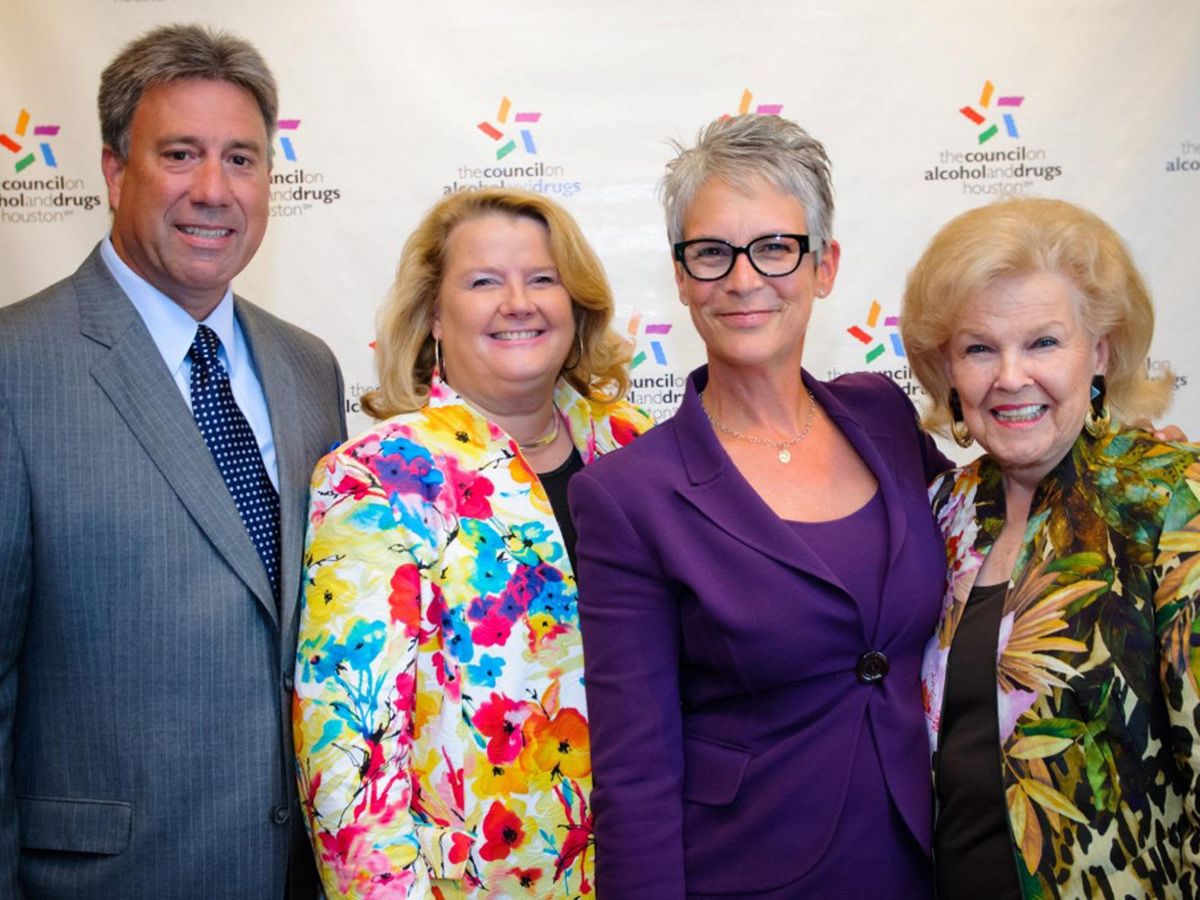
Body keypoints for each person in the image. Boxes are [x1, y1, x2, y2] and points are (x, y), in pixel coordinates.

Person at [0, 25, 345, 899]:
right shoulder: (15, 366)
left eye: (241, 159)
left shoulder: (310, 368)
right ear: (116, 171)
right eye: (180, 154)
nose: (213, 190)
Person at [568, 113, 951, 896]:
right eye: (712, 253)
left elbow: (996, 527)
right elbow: (634, 771)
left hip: (929, 856)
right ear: (680, 277)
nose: (744, 281)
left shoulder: (883, 414)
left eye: (775, 247)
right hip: (748, 871)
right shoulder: (627, 496)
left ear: (824, 265)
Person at [293, 187, 652, 897]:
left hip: (651, 868)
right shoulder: (378, 479)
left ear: (575, 302)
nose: (517, 302)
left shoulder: (635, 446)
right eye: (484, 281)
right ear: (433, 313)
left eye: (542, 278)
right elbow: (349, 758)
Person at [902, 197, 1200, 898]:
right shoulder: (943, 510)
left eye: (1043, 342)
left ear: (1099, 351)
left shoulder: (1168, 501)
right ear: (947, 366)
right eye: (979, 347)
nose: (1010, 377)